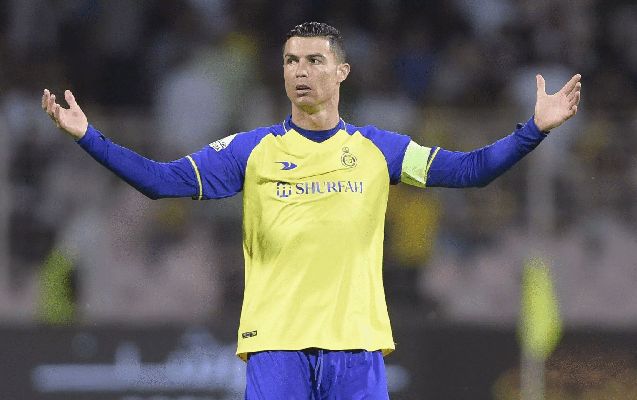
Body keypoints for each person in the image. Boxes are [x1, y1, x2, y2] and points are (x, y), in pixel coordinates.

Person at [42, 21, 581, 399]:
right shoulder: (251, 151)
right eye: (290, 61)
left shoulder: (380, 149)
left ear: (342, 71)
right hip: (277, 348)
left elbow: (470, 171)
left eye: (314, 60)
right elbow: (161, 182)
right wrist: (89, 136)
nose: (300, 71)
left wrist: (533, 130)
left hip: (357, 348)